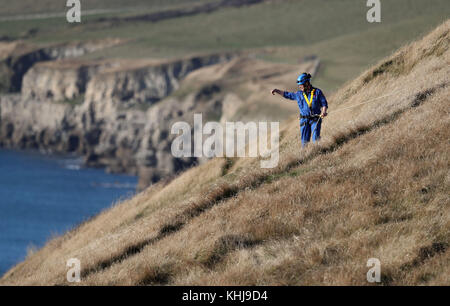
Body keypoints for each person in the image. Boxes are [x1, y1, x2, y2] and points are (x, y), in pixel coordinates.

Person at [271, 73, 328, 147]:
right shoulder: (298, 94)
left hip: (315, 119)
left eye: (302, 85)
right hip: (304, 121)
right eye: (299, 86)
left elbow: (324, 104)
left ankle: (318, 153)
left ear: (307, 83)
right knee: (304, 143)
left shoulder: (317, 92)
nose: (300, 87)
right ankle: (304, 156)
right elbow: (287, 95)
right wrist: (276, 90)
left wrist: (324, 112)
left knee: (315, 139)